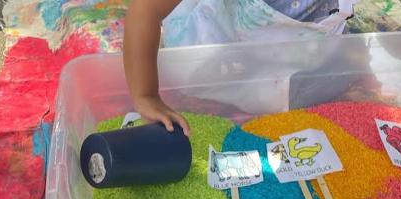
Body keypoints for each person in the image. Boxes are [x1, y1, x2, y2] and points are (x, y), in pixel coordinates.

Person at [123, 0, 357, 136]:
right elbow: (146, 9)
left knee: (341, 72)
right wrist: (146, 96)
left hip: (303, 48)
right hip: (225, 38)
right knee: (188, 71)